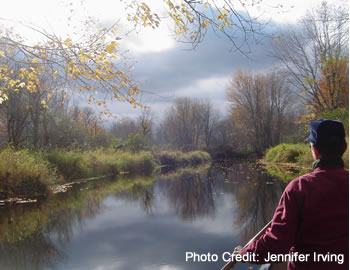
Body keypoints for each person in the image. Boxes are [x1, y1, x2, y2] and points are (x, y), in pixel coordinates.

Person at [234, 119, 349, 270]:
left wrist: (244, 253)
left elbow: (275, 246)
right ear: (344, 147)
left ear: (314, 150)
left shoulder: (299, 188)